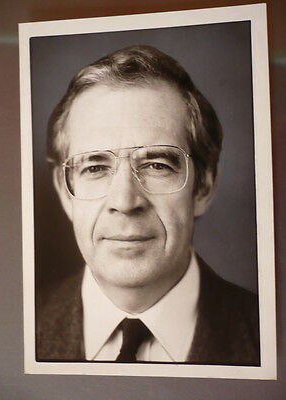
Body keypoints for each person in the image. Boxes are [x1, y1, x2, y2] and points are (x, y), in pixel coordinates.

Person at [36, 45, 260, 365]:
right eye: (95, 167)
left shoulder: (266, 334)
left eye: (157, 165)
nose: (125, 202)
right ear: (64, 190)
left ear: (204, 185)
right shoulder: (17, 328)